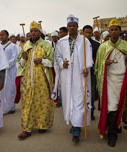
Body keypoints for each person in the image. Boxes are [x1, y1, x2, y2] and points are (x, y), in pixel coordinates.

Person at [55, 15, 93, 143]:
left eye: (74, 26)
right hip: (66, 75)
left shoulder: (84, 40)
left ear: (77, 27)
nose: (72, 28)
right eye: (69, 26)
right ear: (67, 27)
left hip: (80, 76)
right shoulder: (61, 41)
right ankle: (74, 123)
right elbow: (58, 57)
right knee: (68, 101)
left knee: (79, 101)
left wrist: (87, 67)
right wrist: (61, 64)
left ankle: (76, 130)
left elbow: (88, 56)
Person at [18, 21, 54, 140]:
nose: (33, 33)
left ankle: (41, 124)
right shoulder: (26, 45)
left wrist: (42, 61)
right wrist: (23, 58)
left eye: (35, 31)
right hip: (28, 79)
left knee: (42, 101)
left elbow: (52, 62)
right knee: (27, 102)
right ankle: (26, 129)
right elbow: (21, 64)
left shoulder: (46, 45)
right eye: (31, 31)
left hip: (42, 79)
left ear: (40, 32)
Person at [95, 19, 127, 147]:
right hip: (109, 80)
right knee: (112, 107)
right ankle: (111, 134)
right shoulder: (103, 47)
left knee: (121, 105)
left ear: (120, 31)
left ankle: (116, 124)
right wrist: (104, 63)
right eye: (112, 29)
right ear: (109, 31)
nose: (114, 32)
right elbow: (97, 66)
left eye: (116, 29)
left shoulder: (125, 45)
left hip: (122, 80)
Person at [83, 25, 100, 120]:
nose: (88, 34)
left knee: (92, 93)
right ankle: (82, 112)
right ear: (83, 33)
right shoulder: (79, 44)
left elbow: (98, 60)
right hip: (81, 73)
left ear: (92, 33)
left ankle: (91, 112)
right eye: (86, 32)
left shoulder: (96, 45)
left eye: (90, 32)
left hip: (92, 73)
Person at [0, 30, 18, 114]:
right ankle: (3, 107)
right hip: (0, 71)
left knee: (10, 88)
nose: (1, 37)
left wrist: (6, 64)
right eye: (0, 35)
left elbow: (14, 58)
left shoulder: (13, 46)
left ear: (7, 36)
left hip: (10, 71)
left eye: (3, 35)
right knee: (2, 89)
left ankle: (11, 107)